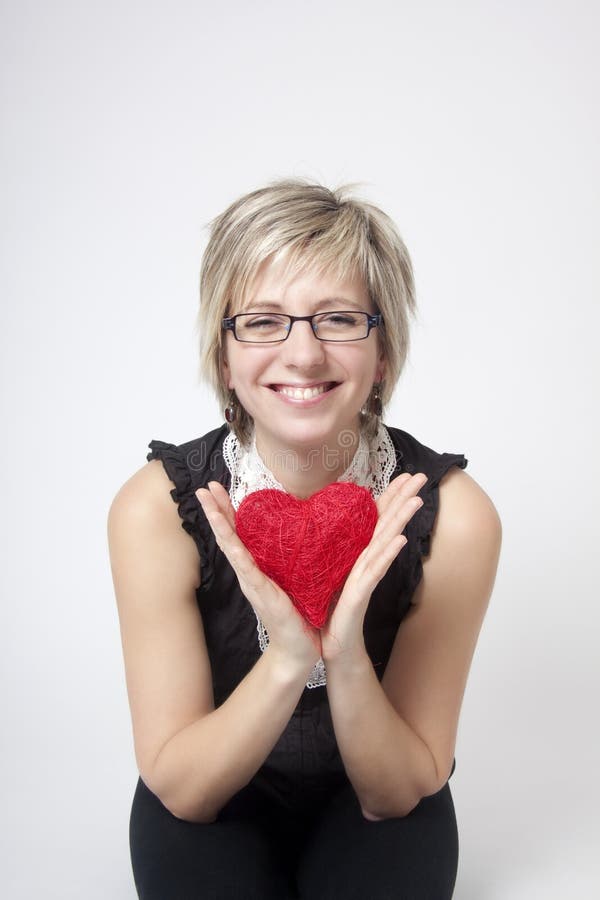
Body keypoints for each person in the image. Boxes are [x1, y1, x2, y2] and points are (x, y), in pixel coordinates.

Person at [108, 179, 501, 900]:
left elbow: (400, 789)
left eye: (339, 319)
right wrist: (290, 655)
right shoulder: (157, 509)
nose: (304, 353)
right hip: (210, 799)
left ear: (382, 352)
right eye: (262, 321)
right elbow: (184, 789)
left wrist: (344, 651)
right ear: (224, 356)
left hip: (381, 803)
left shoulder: (457, 518)